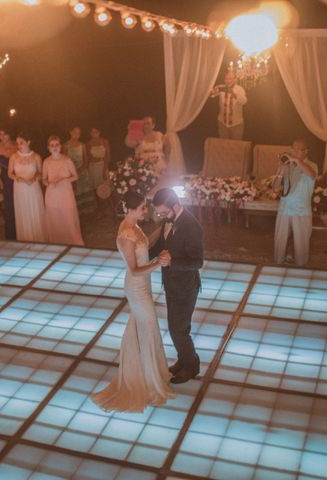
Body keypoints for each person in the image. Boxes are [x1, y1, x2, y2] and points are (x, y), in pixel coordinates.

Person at [92, 191, 175, 412]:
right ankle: (145, 381)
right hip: (136, 288)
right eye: (142, 208)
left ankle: (148, 373)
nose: (145, 211)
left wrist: (165, 233)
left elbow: (145, 250)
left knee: (144, 329)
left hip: (144, 286)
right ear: (130, 209)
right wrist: (159, 263)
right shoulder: (126, 235)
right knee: (148, 328)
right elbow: (135, 269)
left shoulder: (134, 226)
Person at [149, 188, 204, 384]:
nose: (161, 216)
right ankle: (183, 360)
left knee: (179, 329)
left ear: (175, 205)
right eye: (159, 213)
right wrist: (140, 255)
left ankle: (192, 366)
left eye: (163, 213)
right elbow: (161, 245)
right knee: (174, 327)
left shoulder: (192, 226)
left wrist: (172, 262)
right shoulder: (169, 218)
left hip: (185, 287)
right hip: (171, 284)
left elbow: (197, 262)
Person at [272, 139, 318, 266]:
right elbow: (275, 187)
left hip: (301, 210)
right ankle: (278, 263)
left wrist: (297, 160)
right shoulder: (287, 165)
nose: (295, 152)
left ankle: (300, 267)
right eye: (294, 149)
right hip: (285, 208)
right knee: (280, 241)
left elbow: (312, 174)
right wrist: (281, 171)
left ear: (306, 151)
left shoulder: (312, 165)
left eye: (299, 150)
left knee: (301, 243)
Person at [43, 135, 84, 246]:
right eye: (52, 145)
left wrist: (63, 179)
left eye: (56, 145)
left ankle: (72, 242)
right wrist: (49, 183)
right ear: (49, 148)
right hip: (52, 194)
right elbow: (44, 179)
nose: (54, 147)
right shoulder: (46, 161)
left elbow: (76, 176)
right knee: (55, 218)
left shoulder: (67, 160)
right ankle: (57, 243)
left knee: (68, 217)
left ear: (60, 146)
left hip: (65, 193)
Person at [9, 131, 46, 242]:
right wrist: (17, 178)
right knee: (23, 213)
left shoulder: (36, 157)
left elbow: (41, 173)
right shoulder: (14, 157)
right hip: (19, 188)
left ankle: (39, 238)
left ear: (28, 142)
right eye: (18, 143)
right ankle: (26, 240)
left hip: (33, 188)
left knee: (35, 211)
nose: (19, 145)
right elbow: (10, 173)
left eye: (21, 142)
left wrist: (34, 178)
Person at [0, 125, 18, 239]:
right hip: (5, 179)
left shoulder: (16, 146)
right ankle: (11, 234)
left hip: (17, 178)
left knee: (18, 203)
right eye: (0, 134)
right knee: (9, 205)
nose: (2, 137)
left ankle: (21, 231)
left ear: (9, 134)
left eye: (5, 134)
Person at [64, 126, 95, 216]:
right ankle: (75, 214)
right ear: (70, 132)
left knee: (84, 192)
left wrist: (79, 170)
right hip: (71, 174)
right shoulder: (65, 146)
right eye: (75, 132)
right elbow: (65, 162)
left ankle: (86, 215)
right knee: (74, 192)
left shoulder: (82, 145)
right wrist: (72, 173)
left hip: (82, 173)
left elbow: (86, 160)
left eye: (78, 133)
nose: (77, 135)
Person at [210, 71, 248, 140]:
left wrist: (235, 95)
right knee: (224, 145)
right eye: (226, 79)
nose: (228, 81)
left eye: (230, 78)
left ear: (234, 79)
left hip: (236, 124)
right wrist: (212, 92)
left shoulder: (239, 89)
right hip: (222, 123)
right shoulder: (221, 88)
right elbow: (212, 95)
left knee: (236, 146)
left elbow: (244, 101)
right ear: (224, 80)